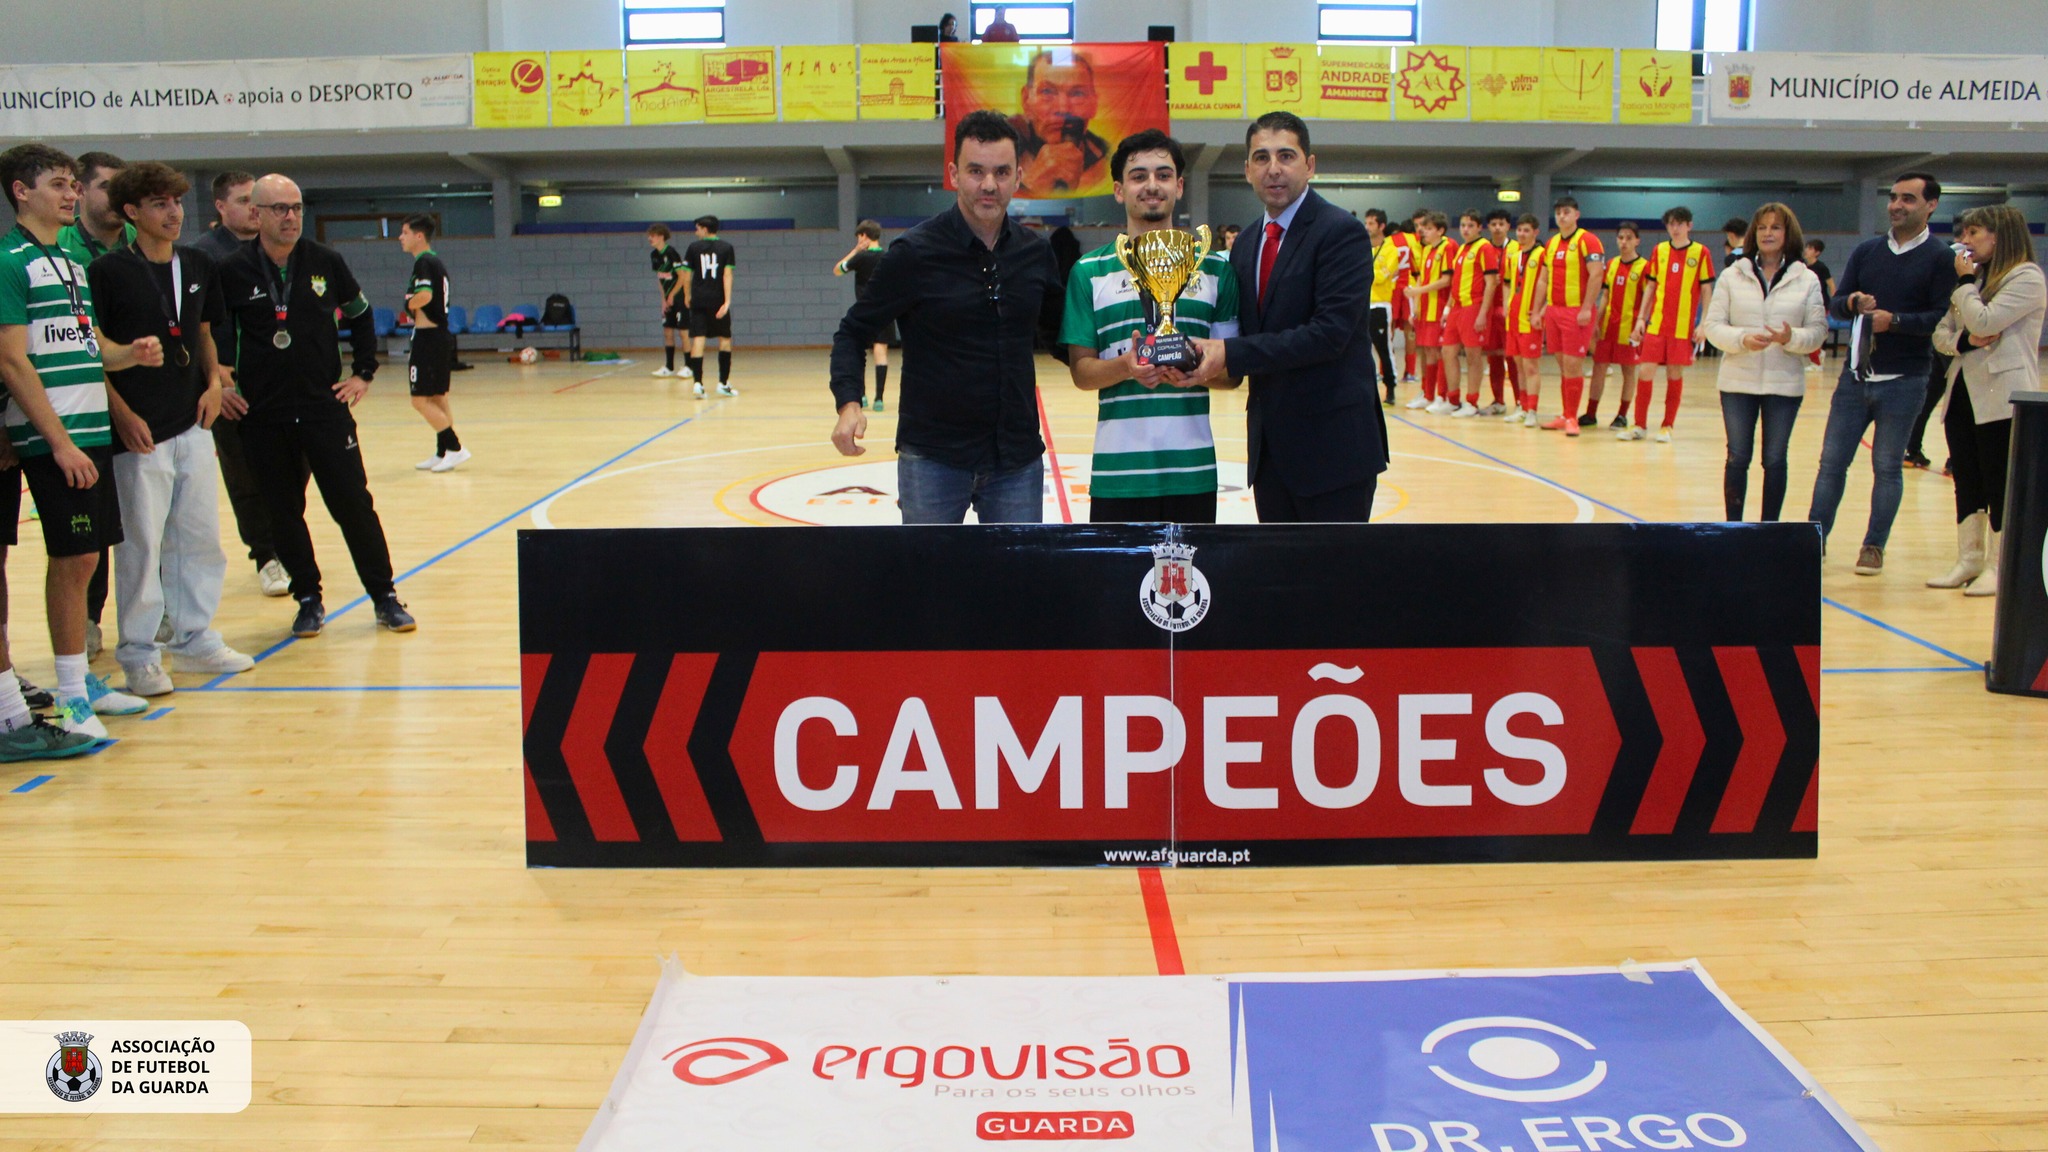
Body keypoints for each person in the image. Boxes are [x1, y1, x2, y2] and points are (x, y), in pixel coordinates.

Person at [827, 110, 1065, 524]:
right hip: (932, 460)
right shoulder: (914, 253)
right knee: (928, 567)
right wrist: (849, 403)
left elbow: (1061, 335)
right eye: (976, 171)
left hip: (1016, 460)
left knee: (1017, 568)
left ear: (1018, 176)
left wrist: (1124, 358)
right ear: (954, 174)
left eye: (1001, 172)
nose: (989, 184)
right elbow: (852, 332)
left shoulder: (1035, 253)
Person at [0, 143, 156, 740]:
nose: (72, 194)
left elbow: (92, 348)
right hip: (56, 434)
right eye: (59, 184)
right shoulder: (11, 261)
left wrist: (130, 353)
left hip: (91, 429)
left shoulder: (70, 262)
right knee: (71, 561)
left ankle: (80, 686)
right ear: (22, 192)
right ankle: (69, 699)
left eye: (73, 183)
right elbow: (13, 361)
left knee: (89, 557)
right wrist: (59, 442)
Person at [215, 174, 415, 637]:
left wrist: (363, 372)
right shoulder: (233, 270)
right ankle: (308, 598)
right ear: (256, 214)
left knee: (354, 506)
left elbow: (361, 314)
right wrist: (220, 383)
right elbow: (211, 333)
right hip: (263, 416)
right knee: (282, 513)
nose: (291, 217)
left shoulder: (326, 261)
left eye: (297, 208)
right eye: (279, 209)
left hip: (324, 410)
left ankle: (384, 596)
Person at [85, 161, 256, 698]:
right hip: (139, 430)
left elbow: (203, 332)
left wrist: (215, 383)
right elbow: (94, 354)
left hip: (193, 420)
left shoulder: (198, 263)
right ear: (131, 212)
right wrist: (121, 413)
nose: (174, 212)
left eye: (177, 202)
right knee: (141, 547)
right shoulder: (108, 272)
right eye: (159, 204)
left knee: (199, 537)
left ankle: (194, 638)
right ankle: (138, 653)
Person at [1185, 111, 1384, 523]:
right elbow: (1242, 333)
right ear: (1247, 170)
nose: (1273, 168)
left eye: (1286, 156)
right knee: (1278, 565)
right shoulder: (1245, 245)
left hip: (1334, 452)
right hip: (1271, 453)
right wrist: (1184, 357)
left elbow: (1329, 334)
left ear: (1309, 165)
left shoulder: (1340, 232)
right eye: (1261, 157)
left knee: (1333, 565)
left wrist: (1229, 352)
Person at [1062, 129, 1240, 524]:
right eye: (1138, 176)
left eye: (1163, 175)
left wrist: (1197, 370)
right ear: (1119, 190)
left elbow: (1231, 375)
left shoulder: (1215, 269)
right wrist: (1127, 366)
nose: (1152, 185)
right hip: (1117, 475)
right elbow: (1081, 372)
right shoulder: (1088, 272)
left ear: (1180, 186)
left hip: (1193, 472)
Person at [1806, 172, 1958, 576]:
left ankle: (1874, 546)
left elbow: (1941, 318)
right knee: (1831, 464)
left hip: (1905, 381)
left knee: (1887, 468)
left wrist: (1898, 321)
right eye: (1893, 197)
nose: (1896, 205)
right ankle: (1813, 541)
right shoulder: (1867, 251)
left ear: (1931, 205)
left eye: (1908, 199)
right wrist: (1852, 302)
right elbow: (1836, 303)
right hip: (1855, 378)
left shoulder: (1941, 258)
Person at [1927, 204, 2044, 596]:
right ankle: (1970, 558)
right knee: (1967, 479)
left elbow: (1985, 321)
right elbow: (1942, 334)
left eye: (1973, 233)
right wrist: (1964, 341)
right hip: (1962, 391)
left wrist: (1965, 287)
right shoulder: (1975, 278)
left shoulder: (2026, 277)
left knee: (1998, 481)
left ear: (1999, 235)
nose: (1964, 241)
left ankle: (1998, 566)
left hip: (2002, 395)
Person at [191, 170, 289, 599]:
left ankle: (284, 540)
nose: (253, 208)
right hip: (231, 381)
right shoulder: (203, 255)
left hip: (281, 381)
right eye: (243, 200)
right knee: (243, 471)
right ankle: (266, 555)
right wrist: (216, 376)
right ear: (220, 206)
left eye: (257, 200)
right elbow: (199, 325)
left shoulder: (279, 249)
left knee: (291, 468)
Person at [1699, 203, 1826, 522]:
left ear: (1788, 233)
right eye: (1762, 227)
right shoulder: (1732, 275)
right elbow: (1713, 327)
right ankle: (1734, 528)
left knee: (1775, 459)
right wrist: (1742, 339)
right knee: (1737, 457)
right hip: (1737, 382)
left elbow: (1817, 332)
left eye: (1776, 227)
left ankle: (1770, 529)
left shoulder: (1806, 279)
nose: (1768, 233)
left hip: (1785, 385)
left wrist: (1790, 338)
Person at [56, 151, 132, 660]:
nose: (118, 197)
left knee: (146, 515)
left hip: (144, 398)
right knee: (93, 523)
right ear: (81, 191)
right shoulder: (60, 249)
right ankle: (87, 617)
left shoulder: (141, 240)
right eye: (107, 186)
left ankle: (153, 611)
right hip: (86, 399)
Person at [1632, 206, 1716, 443]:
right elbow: (1651, 287)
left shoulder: (1701, 253)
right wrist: (1641, 318)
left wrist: (1704, 323)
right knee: (1645, 372)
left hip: (1682, 328)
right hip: (1657, 325)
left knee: (1674, 374)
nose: (1675, 228)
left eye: (1679, 223)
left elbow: (1706, 290)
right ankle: (1639, 425)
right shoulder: (1659, 250)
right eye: (1671, 224)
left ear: (1689, 226)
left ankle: (1667, 426)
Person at [399, 215, 467, 473]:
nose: (400, 238)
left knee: (419, 400)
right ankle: (443, 452)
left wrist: (408, 304)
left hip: (428, 338)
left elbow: (425, 295)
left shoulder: (424, 262)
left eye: (405, 232)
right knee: (438, 397)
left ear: (419, 236)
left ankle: (455, 447)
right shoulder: (434, 262)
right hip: (440, 336)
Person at [1534, 196, 1604, 435]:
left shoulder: (1588, 240)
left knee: (1573, 364)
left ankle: (1572, 418)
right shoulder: (1552, 243)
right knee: (1563, 364)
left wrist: (1586, 308)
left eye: (1566, 212)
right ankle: (1565, 414)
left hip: (1576, 312)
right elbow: (1543, 279)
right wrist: (1538, 309)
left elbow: (1596, 275)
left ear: (1576, 215)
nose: (1562, 216)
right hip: (1554, 310)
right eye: (1558, 213)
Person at [1011, 50, 1108, 199]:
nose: (1063, 109)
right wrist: (1031, 186)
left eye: (1077, 94)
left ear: (1094, 103)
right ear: (1026, 100)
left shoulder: (1108, 160)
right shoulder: (1003, 151)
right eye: (1047, 92)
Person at [1588, 221, 1650, 433]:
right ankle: (1590, 413)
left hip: (1629, 327)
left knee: (1628, 370)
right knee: (1599, 367)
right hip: (1608, 326)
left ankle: (1622, 415)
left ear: (1637, 241)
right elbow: (1605, 295)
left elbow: (1648, 299)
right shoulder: (1612, 264)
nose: (1624, 242)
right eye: (1621, 238)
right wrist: (1597, 321)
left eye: (1629, 238)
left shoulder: (1644, 267)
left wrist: (1641, 324)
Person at [832, 220, 894, 410]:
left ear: (863, 236)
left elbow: (838, 270)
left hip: (864, 311)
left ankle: (862, 395)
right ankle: (879, 399)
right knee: (881, 353)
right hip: (885, 311)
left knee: (860, 353)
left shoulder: (860, 258)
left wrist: (855, 250)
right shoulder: (888, 256)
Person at [1443, 210, 1499, 418]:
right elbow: (1456, 281)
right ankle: (1453, 399)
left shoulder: (1484, 248)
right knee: (1447, 352)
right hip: (1457, 307)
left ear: (1479, 228)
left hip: (1474, 306)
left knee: (1473, 355)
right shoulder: (1461, 249)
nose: (1465, 230)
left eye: (1470, 226)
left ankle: (1472, 402)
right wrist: (1448, 308)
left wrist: (1483, 313)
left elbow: (1491, 283)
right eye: (1463, 225)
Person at [1404, 211, 1455, 414]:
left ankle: (1442, 395)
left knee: (1438, 352)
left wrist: (1419, 291)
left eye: (1428, 228)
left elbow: (1447, 280)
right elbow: (1421, 278)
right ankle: (1428, 393)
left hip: (1438, 307)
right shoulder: (1426, 250)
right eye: (1422, 228)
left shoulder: (1447, 247)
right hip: (1425, 308)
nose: (1423, 231)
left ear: (1440, 230)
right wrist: (1415, 305)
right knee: (1426, 351)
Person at [682, 215, 736, 398]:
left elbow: (686, 275)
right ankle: (723, 383)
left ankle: (698, 383)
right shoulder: (727, 247)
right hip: (718, 300)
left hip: (699, 300)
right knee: (725, 340)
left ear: (705, 229)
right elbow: (727, 275)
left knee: (698, 339)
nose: (695, 232)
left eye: (697, 228)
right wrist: (727, 302)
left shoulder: (693, 248)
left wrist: (687, 295)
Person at [1501, 213, 1547, 426]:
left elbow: (1550, 284)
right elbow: (1508, 283)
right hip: (1514, 317)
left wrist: (1542, 310)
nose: (1521, 234)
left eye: (1526, 230)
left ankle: (1533, 411)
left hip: (1530, 317)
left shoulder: (1542, 254)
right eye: (1519, 230)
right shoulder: (1514, 256)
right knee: (1518, 365)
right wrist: (1506, 306)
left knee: (1530, 366)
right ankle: (1522, 406)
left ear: (1536, 232)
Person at [645, 223, 691, 380]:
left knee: (683, 332)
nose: (650, 238)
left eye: (653, 236)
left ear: (661, 237)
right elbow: (660, 279)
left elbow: (682, 277)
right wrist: (663, 299)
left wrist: (673, 295)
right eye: (649, 236)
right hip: (668, 299)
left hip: (679, 298)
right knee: (668, 332)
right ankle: (669, 367)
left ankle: (689, 366)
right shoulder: (654, 255)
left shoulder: (671, 253)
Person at [1482, 208, 1517, 413]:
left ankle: (1521, 402)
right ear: (1488, 226)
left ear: (1508, 226)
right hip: (1489, 310)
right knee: (1494, 356)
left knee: (1513, 357)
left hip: (1510, 310)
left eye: (1501, 224)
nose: (1497, 228)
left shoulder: (1517, 248)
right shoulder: (1483, 248)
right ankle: (1498, 401)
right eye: (1493, 224)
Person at [1364, 209, 1400, 403]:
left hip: (1380, 306)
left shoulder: (1391, 250)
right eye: (1366, 223)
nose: (1367, 227)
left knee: (1384, 348)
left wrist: (1368, 271)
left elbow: (1381, 277)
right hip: (1363, 305)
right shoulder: (1363, 247)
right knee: (1361, 349)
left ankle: (1390, 387)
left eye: (1371, 223)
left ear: (1382, 226)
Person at [1803, 239, 1835, 372]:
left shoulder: (1821, 267)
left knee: (1814, 331)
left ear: (1817, 252)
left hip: (1821, 304)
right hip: (1806, 303)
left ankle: (1816, 362)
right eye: (1807, 247)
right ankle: (1818, 354)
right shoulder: (1804, 267)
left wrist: (1834, 304)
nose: (1806, 250)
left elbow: (1831, 286)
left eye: (1810, 248)